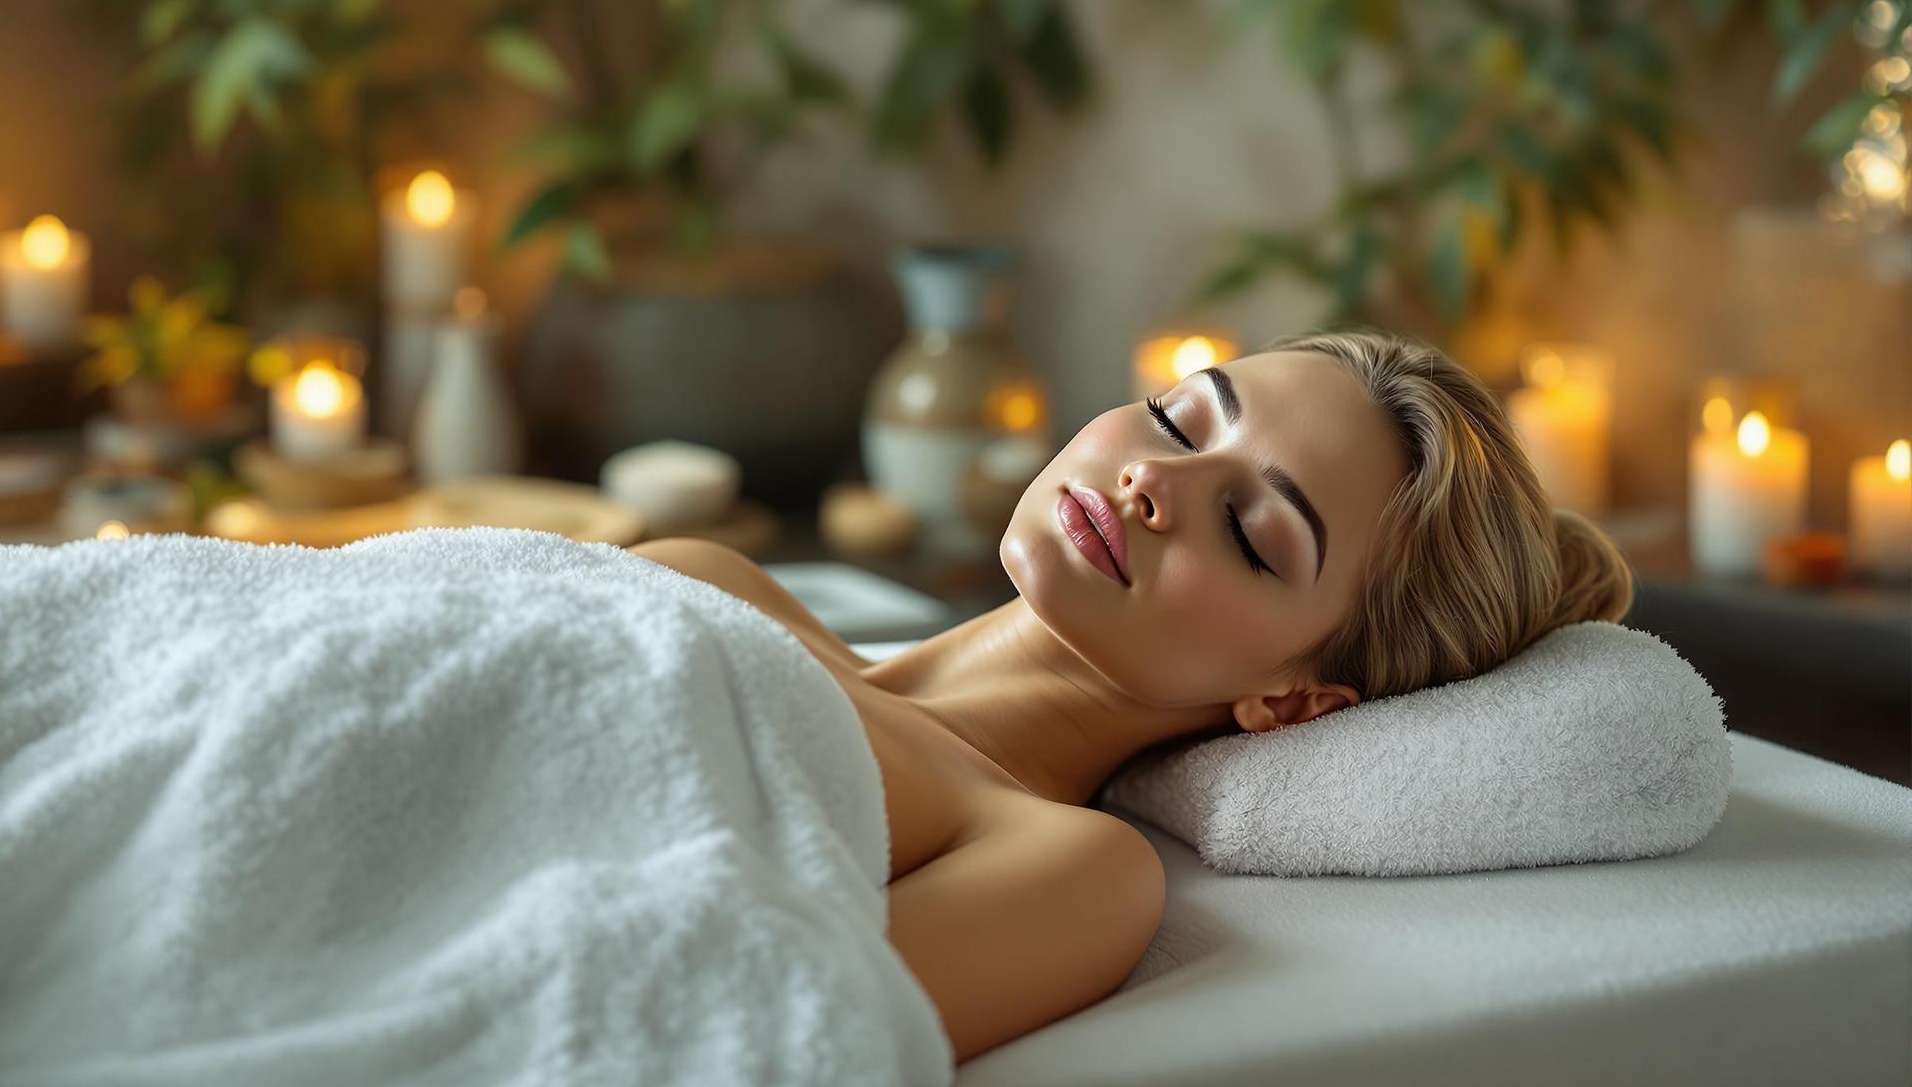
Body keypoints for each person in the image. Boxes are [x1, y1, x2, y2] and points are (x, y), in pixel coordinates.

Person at [630, 325, 1636, 1065]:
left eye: (1249, 532)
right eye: (1177, 418)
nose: (1153, 476)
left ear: (1292, 701)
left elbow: (728, 1039)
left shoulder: (1074, 871)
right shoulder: (700, 576)